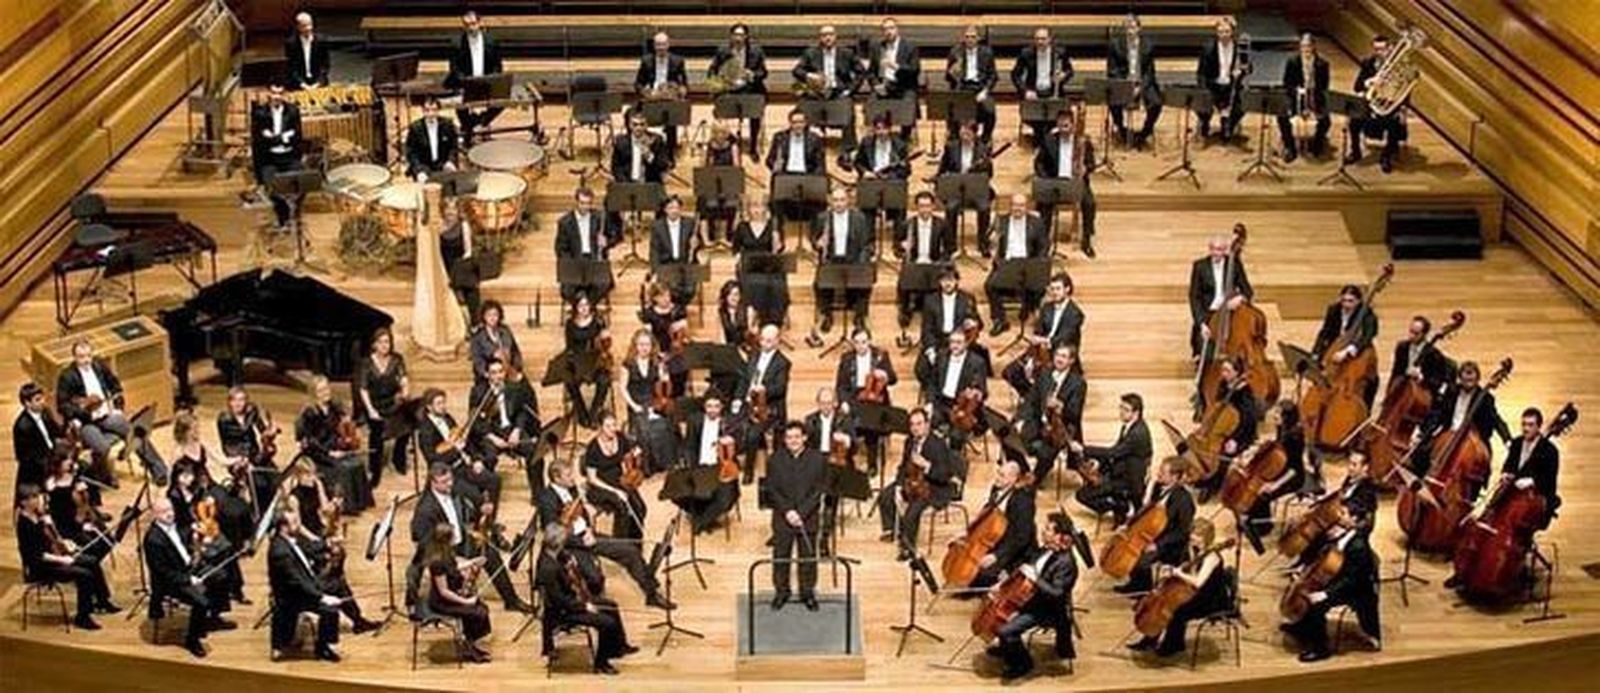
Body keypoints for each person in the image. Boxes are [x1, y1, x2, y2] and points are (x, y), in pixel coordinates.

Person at [538, 458, 673, 610]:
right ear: (556, 478)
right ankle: (593, 606)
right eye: (568, 475)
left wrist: (588, 529)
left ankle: (651, 593)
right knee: (595, 578)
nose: (573, 478)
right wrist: (582, 542)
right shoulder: (546, 499)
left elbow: (581, 511)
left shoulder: (571, 487)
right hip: (569, 545)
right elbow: (551, 534)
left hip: (586, 534)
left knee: (630, 551)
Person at [409, 463, 534, 614]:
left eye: (450, 479)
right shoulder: (425, 509)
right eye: (444, 482)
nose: (450, 484)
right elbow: (422, 540)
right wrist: (455, 559)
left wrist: (481, 507)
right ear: (432, 483)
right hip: (444, 551)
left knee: (491, 555)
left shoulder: (451, 488)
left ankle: (511, 600)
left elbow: (471, 497)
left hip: (461, 539)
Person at [1280, 504, 1381, 662]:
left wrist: (1325, 594)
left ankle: (1320, 648)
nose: (1340, 516)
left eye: (1344, 513)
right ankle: (1302, 627)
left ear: (1354, 519)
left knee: (1314, 603)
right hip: (1337, 578)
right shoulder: (1343, 533)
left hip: (1353, 589)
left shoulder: (1358, 546)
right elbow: (1323, 557)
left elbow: (1352, 580)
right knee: (1305, 591)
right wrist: (1303, 570)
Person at [988, 511, 1080, 680]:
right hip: (1030, 598)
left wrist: (1035, 579)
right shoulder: (1045, 549)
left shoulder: (1067, 563)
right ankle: (1007, 648)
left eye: (1048, 530)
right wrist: (1004, 584)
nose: (1043, 532)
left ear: (1060, 536)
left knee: (1005, 631)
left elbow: (1057, 594)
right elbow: (1026, 567)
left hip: (1047, 609)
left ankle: (1023, 664)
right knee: (998, 622)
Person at [535, 523, 636, 673]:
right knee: (607, 622)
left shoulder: (551, 553)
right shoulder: (548, 569)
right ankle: (601, 663)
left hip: (573, 601)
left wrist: (570, 561)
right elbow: (558, 601)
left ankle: (619, 647)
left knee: (612, 606)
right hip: (562, 612)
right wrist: (584, 606)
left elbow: (565, 561)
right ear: (558, 543)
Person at [1127, 518, 1234, 658]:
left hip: (1211, 599)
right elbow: (1190, 570)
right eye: (1193, 538)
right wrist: (1173, 569)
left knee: (1177, 610)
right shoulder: (1195, 550)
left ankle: (1173, 645)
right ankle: (1150, 639)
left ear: (1207, 539)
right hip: (1197, 593)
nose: (1194, 542)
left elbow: (1198, 582)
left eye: (1197, 540)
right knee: (1166, 603)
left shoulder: (1212, 557)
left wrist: (1178, 573)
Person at [16, 484, 117, 630]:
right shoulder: (25, 525)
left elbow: (51, 540)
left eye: (37, 496)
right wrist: (63, 559)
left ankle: (102, 601)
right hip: (42, 566)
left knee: (92, 561)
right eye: (32, 498)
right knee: (85, 575)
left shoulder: (38, 515)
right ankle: (82, 617)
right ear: (23, 502)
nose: (37, 500)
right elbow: (36, 555)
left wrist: (66, 543)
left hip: (54, 556)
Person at [144, 496, 235, 658]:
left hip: (188, 567)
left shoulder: (176, 526)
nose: (170, 514)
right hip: (172, 581)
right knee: (201, 602)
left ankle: (213, 617)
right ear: (154, 515)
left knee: (221, 576)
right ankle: (191, 640)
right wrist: (189, 580)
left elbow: (184, 541)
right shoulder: (153, 540)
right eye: (164, 512)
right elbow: (162, 573)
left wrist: (196, 540)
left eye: (170, 509)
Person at [877, 408, 960, 561]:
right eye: (912, 425)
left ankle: (907, 548)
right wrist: (899, 485)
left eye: (919, 424)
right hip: (912, 482)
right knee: (885, 496)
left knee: (912, 511)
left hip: (933, 487)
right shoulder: (910, 441)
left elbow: (945, 475)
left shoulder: (938, 444)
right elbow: (903, 467)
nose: (915, 428)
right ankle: (891, 529)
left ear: (927, 425)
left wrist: (927, 466)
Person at [1411, 361, 1512, 478]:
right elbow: (1437, 414)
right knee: (1420, 454)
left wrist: (1507, 440)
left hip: (1472, 439)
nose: (1468, 380)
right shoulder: (1451, 392)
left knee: (1482, 468)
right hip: (1448, 434)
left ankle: (1472, 494)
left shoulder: (1485, 398)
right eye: (1465, 377)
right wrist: (1423, 433)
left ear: (1477, 378)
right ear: (1460, 378)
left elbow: (1496, 420)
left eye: (1471, 377)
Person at [266, 508, 343, 661]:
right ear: (284, 527)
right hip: (293, 596)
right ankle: (322, 648)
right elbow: (297, 583)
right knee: (330, 609)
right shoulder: (280, 552)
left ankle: (358, 620)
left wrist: (328, 543)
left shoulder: (289, 539)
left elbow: (308, 548)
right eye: (294, 522)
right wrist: (322, 597)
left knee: (338, 584)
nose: (299, 524)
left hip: (306, 583)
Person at [1113, 457, 1196, 594]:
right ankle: (1136, 583)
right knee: (1128, 550)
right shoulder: (1159, 488)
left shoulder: (1184, 500)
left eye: (1163, 472)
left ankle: (1144, 587)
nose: (1159, 474)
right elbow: (1145, 512)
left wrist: (1157, 544)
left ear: (1175, 477)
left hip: (1170, 544)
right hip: (1152, 534)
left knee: (1139, 559)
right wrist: (1128, 525)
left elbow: (1181, 532)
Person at [56, 340, 134, 485]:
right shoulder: (67, 376)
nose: (86, 360)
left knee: (134, 431)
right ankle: (105, 477)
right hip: (86, 423)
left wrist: (117, 408)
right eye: (81, 357)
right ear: (74, 357)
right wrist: (83, 413)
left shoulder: (99, 366)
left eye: (88, 356)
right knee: (102, 448)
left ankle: (157, 468)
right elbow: (62, 405)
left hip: (106, 415)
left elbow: (115, 385)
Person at [768, 421, 826, 611]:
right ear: (784, 440)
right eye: (789, 437)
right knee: (781, 557)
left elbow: (818, 490)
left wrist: (801, 513)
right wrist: (788, 511)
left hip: (808, 518)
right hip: (782, 517)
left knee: (807, 557)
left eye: (796, 437)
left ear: (804, 438)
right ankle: (782, 592)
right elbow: (772, 490)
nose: (793, 440)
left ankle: (807, 592)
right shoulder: (775, 459)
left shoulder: (817, 459)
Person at [1072, 393, 1154, 525]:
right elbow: (1117, 449)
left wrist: (1083, 449)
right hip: (1121, 470)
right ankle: (1119, 506)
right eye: (1121, 408)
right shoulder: (1129, 426)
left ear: (1136, 413)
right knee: (1088, 485)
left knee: (1083, 495)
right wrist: (1099, 463)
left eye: (1126, 410)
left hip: (1128, 480)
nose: (1121, 412)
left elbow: (1114, 452)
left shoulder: (1137, 434)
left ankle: (1119, 506)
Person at [295, 376, 372, 512]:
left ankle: (361, 503)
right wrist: (329, 452)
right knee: (344, 467)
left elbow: (339, 428)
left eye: (327, 388)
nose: (326, 393)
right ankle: (347, 506)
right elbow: (310, 441)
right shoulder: (309, 413)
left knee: (357, 463)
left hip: (333, 447)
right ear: (314, 393)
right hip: (317, 452)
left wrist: (344, 441)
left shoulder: (333, 407)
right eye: (321, 390)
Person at [1002, 273, 1083, 400]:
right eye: (1052, 289)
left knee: (1043, 377)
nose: (1054, 292)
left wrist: (1046, 341)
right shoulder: (1046, 307)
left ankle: (1042, 398)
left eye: (1058, 289)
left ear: (1067, 290)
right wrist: (1036, 342)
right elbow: (1038, 329)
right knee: (1009, 372)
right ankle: (1031, 398)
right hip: (1040, 349)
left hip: (1061, 351)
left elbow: (1066, 337)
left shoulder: (1075, 314)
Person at [420, 522, 493, 662]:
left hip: (449, 596)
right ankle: (468, 647)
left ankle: (470, 643)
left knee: (482, 608)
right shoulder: (437, 562)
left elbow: (454, 566)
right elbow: (444, 591)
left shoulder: (446, 552)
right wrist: (465, 601)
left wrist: (472, 562)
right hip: (441, 602)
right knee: (477, 612)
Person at [470, 357, 541, 500]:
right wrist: (493, 438)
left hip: (511, 431)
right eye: (493, 373)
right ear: (487, 375)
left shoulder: (513, 388)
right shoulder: (478, 392)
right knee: (488, 457)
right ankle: (486, 497)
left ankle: (538, 494)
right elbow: (476, 421)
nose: (498, 376)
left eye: (500, 372)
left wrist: (517, 430)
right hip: (491, 433)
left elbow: (521, 412)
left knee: (535, 452)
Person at [1032, 106, 1098, 257]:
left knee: (1090, 203)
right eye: (1060, 126)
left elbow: (1092, 164)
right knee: (1045, 204)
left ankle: (1086, 240)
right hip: (1055, 181)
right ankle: (1044, 244)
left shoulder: (1083, 142)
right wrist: (1045, 179)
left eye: (1066, 126)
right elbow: (1038, 163)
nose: (1063, 129)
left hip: (1076, 182)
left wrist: (1086, 169)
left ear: (1073, 125)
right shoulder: (1049, 141)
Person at [414, 388, 498, 506]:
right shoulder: (425, 431)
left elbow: (463, 441)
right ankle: (476, 521)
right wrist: (455, 450)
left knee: (494, 480)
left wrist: (476, 460)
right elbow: (432, 459)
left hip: (463, 465)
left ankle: (489, 522)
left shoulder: (447, 418)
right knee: (476, 496)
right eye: (439, 403)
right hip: (448, 473)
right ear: (429, 407)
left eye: (444, 402)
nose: (443, 406)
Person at [1017, 345, 1085, 485]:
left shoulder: (1078, 383)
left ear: (1071, 361)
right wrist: (1021, 419)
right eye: (1058, 355)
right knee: (1011, 439)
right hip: (1039, 422)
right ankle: (1023, 470)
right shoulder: (1045, 374)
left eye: (1064, 357)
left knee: (1046, 452)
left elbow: (1075, 413)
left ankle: (1034, 481)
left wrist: (1061, 407)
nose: (1059, 359)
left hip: (1060, 429)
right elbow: (1031, 400)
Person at [966, 459, 1038, 590]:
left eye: (1002, 475)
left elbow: (1021, 538)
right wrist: (971, 528)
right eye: (998, 473)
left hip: (1014, 548)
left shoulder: (1023, 501)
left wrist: (996, 555)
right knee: (968, 565)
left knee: (978, 575)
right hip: (996, 538)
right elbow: (989, 508)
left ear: (1014, 478)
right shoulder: (996, 489)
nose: (997, 478)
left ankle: (1005, 576)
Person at [835, 328, 898, 474]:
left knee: (872, 422)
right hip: (854, 396)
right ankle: (848, 463)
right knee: (844, 422)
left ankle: (872, 462)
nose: (860, 346)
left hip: (876, 398)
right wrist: (844, 402)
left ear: (869, 341)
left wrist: (885, 375)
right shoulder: (846, 358)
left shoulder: (880, 355)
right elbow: (841, 386)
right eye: (857, 343)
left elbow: (894, 379)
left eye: (864, 342)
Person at [1242, 401, 1309, 538]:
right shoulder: (1283, 428)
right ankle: (1251, 517)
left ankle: (1264, 527)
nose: (1274, 415)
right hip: (1280, 469)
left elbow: (1293, 469)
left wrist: (1274, 485)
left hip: (1292, 477)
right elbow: (1278, 448)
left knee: (1262, 494)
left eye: (1278, 413)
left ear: (1287, 417)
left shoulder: (1295, 437)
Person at [811, 187, 873, 334]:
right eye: (835, 200)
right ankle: (827, 315)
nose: (839, 204)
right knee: (819, 283)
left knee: (865, 280)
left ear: (849, 201)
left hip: (853, 260)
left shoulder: (859, 218)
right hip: (831, 260)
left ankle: (859, 317)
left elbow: (866, 244)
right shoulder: (822, 218)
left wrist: (861, 264)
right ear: (830, 201)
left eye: (842, 200)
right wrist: (818, 244)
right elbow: (814, 240)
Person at [620, 328, 682, 474]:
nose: (644, 348)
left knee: (667, 424)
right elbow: (623, 389)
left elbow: (665, 382)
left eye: (647, 345)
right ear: (635, 345)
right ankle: (649, 467)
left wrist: (664, 369)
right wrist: (634, 406)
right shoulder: (628, 364)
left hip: (654, 402)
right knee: (645, 430)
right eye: (641, 344)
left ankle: (668, 463)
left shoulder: (656, 362)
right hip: (637, 404)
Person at [676, 394, 741, 533]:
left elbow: (741, 446)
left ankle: (700, 523)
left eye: (716, 406)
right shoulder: (694, 420)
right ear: (704, 407)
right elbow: (688, 446)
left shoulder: (729, 422)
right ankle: (704, 516)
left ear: (722, 407)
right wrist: (689, 466)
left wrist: (733, 442)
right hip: (699, 467)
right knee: (676, 493)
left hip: (722, 469)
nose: (712, 410)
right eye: (709, 406)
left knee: (725, 500)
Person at [984, 192, 1048, 334]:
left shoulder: (1036, 223)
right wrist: (991, 240)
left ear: (1027, 207)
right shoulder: (1001, 220)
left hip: (1028, 263)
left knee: (1040, 285)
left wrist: (1036, 264)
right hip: (1006, 264)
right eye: (1014, 205)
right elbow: (988, 241)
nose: (1017, 208)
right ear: (1010, 206)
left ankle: (1028, 308)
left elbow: (1043, 247)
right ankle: (1000, 320)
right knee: (989, 286)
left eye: (1021, 205)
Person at [356, 327, 411, 486]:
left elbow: (403, 378)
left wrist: (405, 390)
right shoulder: (366, 363)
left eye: (387, 342)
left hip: (393, 401)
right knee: (377, 436)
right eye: (381, 342)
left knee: (406, 428)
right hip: (375, 405)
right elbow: (363, 389)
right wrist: (371, 410)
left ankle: (398, 458)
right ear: (374, 344)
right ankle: (375, 470)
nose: (385, 345)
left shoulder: (397, 359)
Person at [792, 25, 860, 150]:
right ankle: (803, 146)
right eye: (824, 35)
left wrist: (850, 90)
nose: (827, 38)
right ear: (820, 38)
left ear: (835, 36)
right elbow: (796, 70)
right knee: (800, 110)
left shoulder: (847, 53)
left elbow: (860, 73)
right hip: (816, 94)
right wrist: (809, 75)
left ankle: (848, 151)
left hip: (838, 93)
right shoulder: (810, 53)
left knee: (848, 111)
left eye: (830, 34)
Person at [1187, 231, 1254, 358]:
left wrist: (1240, 299)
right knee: (1206, 353)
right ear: (1210, 249)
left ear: (1225, 250)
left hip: (1231, 314)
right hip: (1209, 314)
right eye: (1214, 249)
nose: (1217, 253)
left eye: (1220, 250)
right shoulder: (1199, 266)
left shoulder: (1234, 264)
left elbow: (1248, 290)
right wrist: (1202, 324)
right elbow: (1194, 297)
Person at [921, 329, 989, 454]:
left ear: (966, 343)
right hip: (942, 403)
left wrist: (975, 394)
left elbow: (983, 391)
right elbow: (932, 383)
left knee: (956, 437)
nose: (954, 346)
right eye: (952, 342)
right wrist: (929, 402)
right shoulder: (941, 356)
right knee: (924, 424)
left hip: (963, 408)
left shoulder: (977, 362)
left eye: (958, 342)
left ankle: (954, 466)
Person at [1312, 284, 1381, 406]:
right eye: (1344, 300)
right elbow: (1325, 332)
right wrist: (1316, 352)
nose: (1346, 305)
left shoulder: (1367, 314)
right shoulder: (1334, 309)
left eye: (1350, 301)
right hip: (1335, 347)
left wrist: (1348, 350)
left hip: (1357, 350)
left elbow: (1368, 335)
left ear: (1359, 301)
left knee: (1370, 381)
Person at [583, 412, 647, 540]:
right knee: (622, 506)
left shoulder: (620, 438)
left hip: (619, 480)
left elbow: (630, 453)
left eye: (614, 425)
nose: (612, 429)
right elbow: (592, 478)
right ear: (600, 428)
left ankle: (635, 540)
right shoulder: (593, 448)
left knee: (640, 507)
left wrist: (636, 455)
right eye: (608, 426)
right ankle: (620, 542)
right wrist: (616, 491)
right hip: (600, 485)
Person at [444, 11, 505, 143]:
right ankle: (469, 129)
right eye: (467, 25)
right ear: (464, 26)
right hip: (465, 84)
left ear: (479, 23)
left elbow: (497, 66)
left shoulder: (491, 41)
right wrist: (466, 82)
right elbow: (454, 69)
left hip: (486, 82)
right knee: (460, 103)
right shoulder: (456, 43)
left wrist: (491, 79)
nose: (471, 28)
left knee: (502, 101)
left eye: (473, 24)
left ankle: (479, 123)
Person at [707, 23, 769, 155]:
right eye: (735, 34)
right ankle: (725, 142)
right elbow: (712, 70)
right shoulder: (723, 51)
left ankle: (753, 146)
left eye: (741, 35)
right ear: (731, 36)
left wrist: (752, 75)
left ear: (746, 36)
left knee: (755, 112)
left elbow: (763, 72)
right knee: (719, 109)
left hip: (750, 89)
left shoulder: (756, 51)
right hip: (728, 89)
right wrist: (718, 82)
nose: (738, 38)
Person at [1347, 34, 1406, 172]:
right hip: (1371, 102)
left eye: (1383, 49)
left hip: (1389, 103)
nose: (1380, 53)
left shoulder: (1398, 67)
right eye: (1376, 49)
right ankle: (1355, 151)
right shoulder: (1368, 63)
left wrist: (1402, 109)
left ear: (1390, 48)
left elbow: (1404, 90)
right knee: (1353, 122)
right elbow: (1357, 86)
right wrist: (1368, 82)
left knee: (1395, 124)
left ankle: (1386, 156)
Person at [933, 121, 993, 254]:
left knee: (984, 208)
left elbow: (989, 175)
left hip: (976, 191)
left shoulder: (984, 149)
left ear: (974, 134)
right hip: (955, 190)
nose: (964, 134)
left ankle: (983, 243)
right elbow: (942, 170)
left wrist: (983, 166)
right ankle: (951, 245)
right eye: (962, 131)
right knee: (951, 208)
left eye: (968, 132)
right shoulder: (951, 147)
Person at [896, 191, 955, 325]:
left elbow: (951, 247)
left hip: (934, 264)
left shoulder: (942, 224)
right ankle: (904, 312)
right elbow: (897, 247)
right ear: (916, 207)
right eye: (921, 206)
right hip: (914, 263)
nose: (925, 209)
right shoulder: (908, 224)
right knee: (903, 277)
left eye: (928, 206)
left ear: (933, 206)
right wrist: (902, 247)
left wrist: (942, 259)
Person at [250, 84, 304, 229]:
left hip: (289, 157)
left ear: (284, 94)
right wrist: (282, 138)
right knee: (272, 190)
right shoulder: (260, 113)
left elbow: (297, 137)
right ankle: (283, 217)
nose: (277, 97)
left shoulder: (293, 111)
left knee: (302, 184)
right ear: (268, 94)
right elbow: (258, 142)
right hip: (270, 159)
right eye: (274, 93)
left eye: (280, 93)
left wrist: (274, 138)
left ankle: (295, 215)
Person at [731, 196, 790, 326]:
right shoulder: (742, 227)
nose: (757, 210)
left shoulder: (773, 226)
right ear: (749, 210)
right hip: (749, 266)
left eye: (760, 206)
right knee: (751, 285)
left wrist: (778, 242)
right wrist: (737, 258)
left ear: (766, 209)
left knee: (777, 286)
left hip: (769, 266)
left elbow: (780, 250)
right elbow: (735, 248)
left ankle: (773, 322)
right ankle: (752, 321)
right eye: (754, 206)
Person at [1107, 14, 1162, 149]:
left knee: (1156, 103)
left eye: (1133, 26)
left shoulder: (1148, 45)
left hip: (1142, 83)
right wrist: (1126, 87)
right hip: (1123, 83)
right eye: (1127, 26)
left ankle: (1145, 132)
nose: (1130, 30)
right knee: (1113, 102)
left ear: (1139, 28)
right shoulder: (1115, 45)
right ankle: (1121, 129)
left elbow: (1150, 73)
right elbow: (1112, 71)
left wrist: (1140, 88)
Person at [555, 187, 617, 304]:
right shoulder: (564, 222)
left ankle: (588, 308)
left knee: (603, 286)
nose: (585, 207)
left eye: (588, 203)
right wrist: (570, 264)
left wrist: (606, 241)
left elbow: (615, 236)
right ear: (576, 202)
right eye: (582, 203)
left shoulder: (600, 218)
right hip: (574, 262)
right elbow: (560, 249)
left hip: (595, 261)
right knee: (567, 291)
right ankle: (581, 309)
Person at [1012, 27, 1074, 142]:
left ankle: (1044, 140)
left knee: (1060, 115)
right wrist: (1025, 91)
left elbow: (1070, 71)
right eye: (1038, 39)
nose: (1040, 42)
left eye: (1043, 39)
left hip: (1053, 92)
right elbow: (1015, 75)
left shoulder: (1060, 53)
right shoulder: (1026, 53)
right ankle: (1045, 140)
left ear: (1050, 39)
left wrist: (1063, 76)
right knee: (1035, 118)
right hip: (1034, 93)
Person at [766, 109, 827, 224]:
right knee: (776, 202)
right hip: (786, 176)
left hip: (807, 176)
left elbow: (820, 164)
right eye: (795, 122)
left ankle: (815, 238)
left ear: (805, 123)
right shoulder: (779, 137)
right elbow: (769, 160)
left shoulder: (815, 139)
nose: (798, 125)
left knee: (820, 202)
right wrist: (774, 165)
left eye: (801, 122)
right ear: (790, 123)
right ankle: (778, 236)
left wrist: (814, 181)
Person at [1278, 33, 1332, 162]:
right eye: (1303, 46)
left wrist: (1313, 97)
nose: (1306, 49)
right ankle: (1289, 146)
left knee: (1326, 121)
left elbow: (1324, 86)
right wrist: (1297, 90)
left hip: (1315, 97)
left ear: (1313, 47)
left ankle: (1317, 144)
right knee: (1282, 116)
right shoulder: (1292, 62)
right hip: (1296, 97)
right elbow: (1286, 83)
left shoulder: (1323, 64)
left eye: (1308, 46)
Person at [563, 293, 613, 429]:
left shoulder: (598, 321)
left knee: (604, 380)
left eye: (586, 305)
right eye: (581, 305)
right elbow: (569, 347)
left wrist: (605, 337)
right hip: (579, 363)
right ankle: (582, 413)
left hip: (596, 362)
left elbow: (606, 343)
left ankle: (594, 414)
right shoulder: (570, 324)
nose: (584, 308)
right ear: (576, 308)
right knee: (569, 381)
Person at [634, 31, 689, 153]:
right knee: (631, 114)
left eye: (663, 44)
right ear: (654, 46)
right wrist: (645, 92)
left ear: (668, 45)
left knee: (671, 115)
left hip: (669, 98)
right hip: (652, 98)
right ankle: (641, 148)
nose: (661, 48)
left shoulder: (678, 61)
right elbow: (637, 84)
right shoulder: (646, 61)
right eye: (658, 45)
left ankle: (670, 151)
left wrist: (682, 90)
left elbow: (684, 83)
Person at [1195, 18, 1248, 141]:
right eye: (1221, 32)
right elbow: (1201, 73)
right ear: (1217, 33)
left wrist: (1241, 71)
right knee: (1200, 104)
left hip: (1231, 87)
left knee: (1243, 106)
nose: (1224, 35)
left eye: (1227, 31)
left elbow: (1248, 67)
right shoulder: (1208, 48)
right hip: (1213, 86)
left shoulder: (1239, 47)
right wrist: (1203, 91)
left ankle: (1228, 124)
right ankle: (1205, 123)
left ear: (1232, 32)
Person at [944, 24, 998, 140]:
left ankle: (985, 138)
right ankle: (954, 139)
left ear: (978, 38)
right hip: (962, 87)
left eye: (973, 37)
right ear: (963, 38)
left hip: (980, 87)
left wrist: (985, 91)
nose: (970, 40)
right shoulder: (955, 52)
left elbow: (993, 76)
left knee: (990, 110)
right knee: (951, 109)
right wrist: (952, 72)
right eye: (967, 37)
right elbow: (948, 78)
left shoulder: (987, 53)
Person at [649, 195, 701, 305]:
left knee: (689, 290)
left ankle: (677, 310)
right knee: (673, 287)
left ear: (681, 209)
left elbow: (700, 244)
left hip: (687, 263)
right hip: (667, 264)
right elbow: (654, 251)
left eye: (677, 208)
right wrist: (655, 271)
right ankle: (678, 311)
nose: (674, 211)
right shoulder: (657, 226)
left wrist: (697, 243)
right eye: (671, 208)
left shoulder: (690, 223)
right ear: (665, 210)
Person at [13, 383, 63, 496]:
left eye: (42, 398)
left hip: (52, 457)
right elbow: (25, 457)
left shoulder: (45, 412)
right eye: (37, 400)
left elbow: (57, 432)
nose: (42, 402)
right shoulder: (22, 427)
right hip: (36, 469)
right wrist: (51, 467)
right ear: (27, 403)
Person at [1388, 314, 1455, 396]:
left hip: (1423, 390)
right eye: (1410, 331)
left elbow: (1437, 381)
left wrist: (1422, 378)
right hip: (1403, 386)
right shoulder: (1402, 347)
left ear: (1424, 334)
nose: (1411, 336)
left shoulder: (1434, 355)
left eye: (1416, 334)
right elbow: (1396, 371)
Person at [468, 300, 523, 386]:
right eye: (489, 315)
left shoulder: (505, 330)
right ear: (484, 317)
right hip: (488, 376)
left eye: (495, 315)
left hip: (508, 372)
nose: (492, 318)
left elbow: (515, 352)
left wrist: (516, 368)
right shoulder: (478, 336)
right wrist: (489, 375)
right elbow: (477, 361)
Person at [405, 99, 459, 181]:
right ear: (423, 111)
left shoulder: (447, 125)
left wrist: (450, 161)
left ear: (438, 110)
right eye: (427, 110)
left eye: (434, 110)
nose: (431, 114)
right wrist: (419, 170)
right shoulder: (415, 128)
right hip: (423, 165)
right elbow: (411, 152)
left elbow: (453, 146)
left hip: (443, 164)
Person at [867, 17, 920, 102]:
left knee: (907, 104)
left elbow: (914, 70)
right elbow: (871, 72)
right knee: (871, 103)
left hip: (904, 88)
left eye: (891, 28)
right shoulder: (877, 47)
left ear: (897, 29)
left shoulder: (910, 47)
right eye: (885, 29)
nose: (888, 32)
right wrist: (876, 85)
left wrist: (896, 66)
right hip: (883, 87)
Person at [612, 109, 670, 184]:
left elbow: (663, 166)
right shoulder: (621, 142)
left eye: (642, 124)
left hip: (650, 184)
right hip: (628, 184)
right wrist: (624, 183)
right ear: (630, 125)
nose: (638, 128)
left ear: (646, 125)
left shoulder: (657, 140)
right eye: (635, 124)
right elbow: (616, 167)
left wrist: (649, 155)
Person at [284, 12, 329, 91]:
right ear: (298, 27)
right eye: (304, 26)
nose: (308, 28)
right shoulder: (291, 43)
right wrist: (303, 85)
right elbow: (292, 68)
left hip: (317, 82)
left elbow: (324, 66)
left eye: (310, 24)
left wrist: (317, 83)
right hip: (299, 83)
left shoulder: (321, 40)